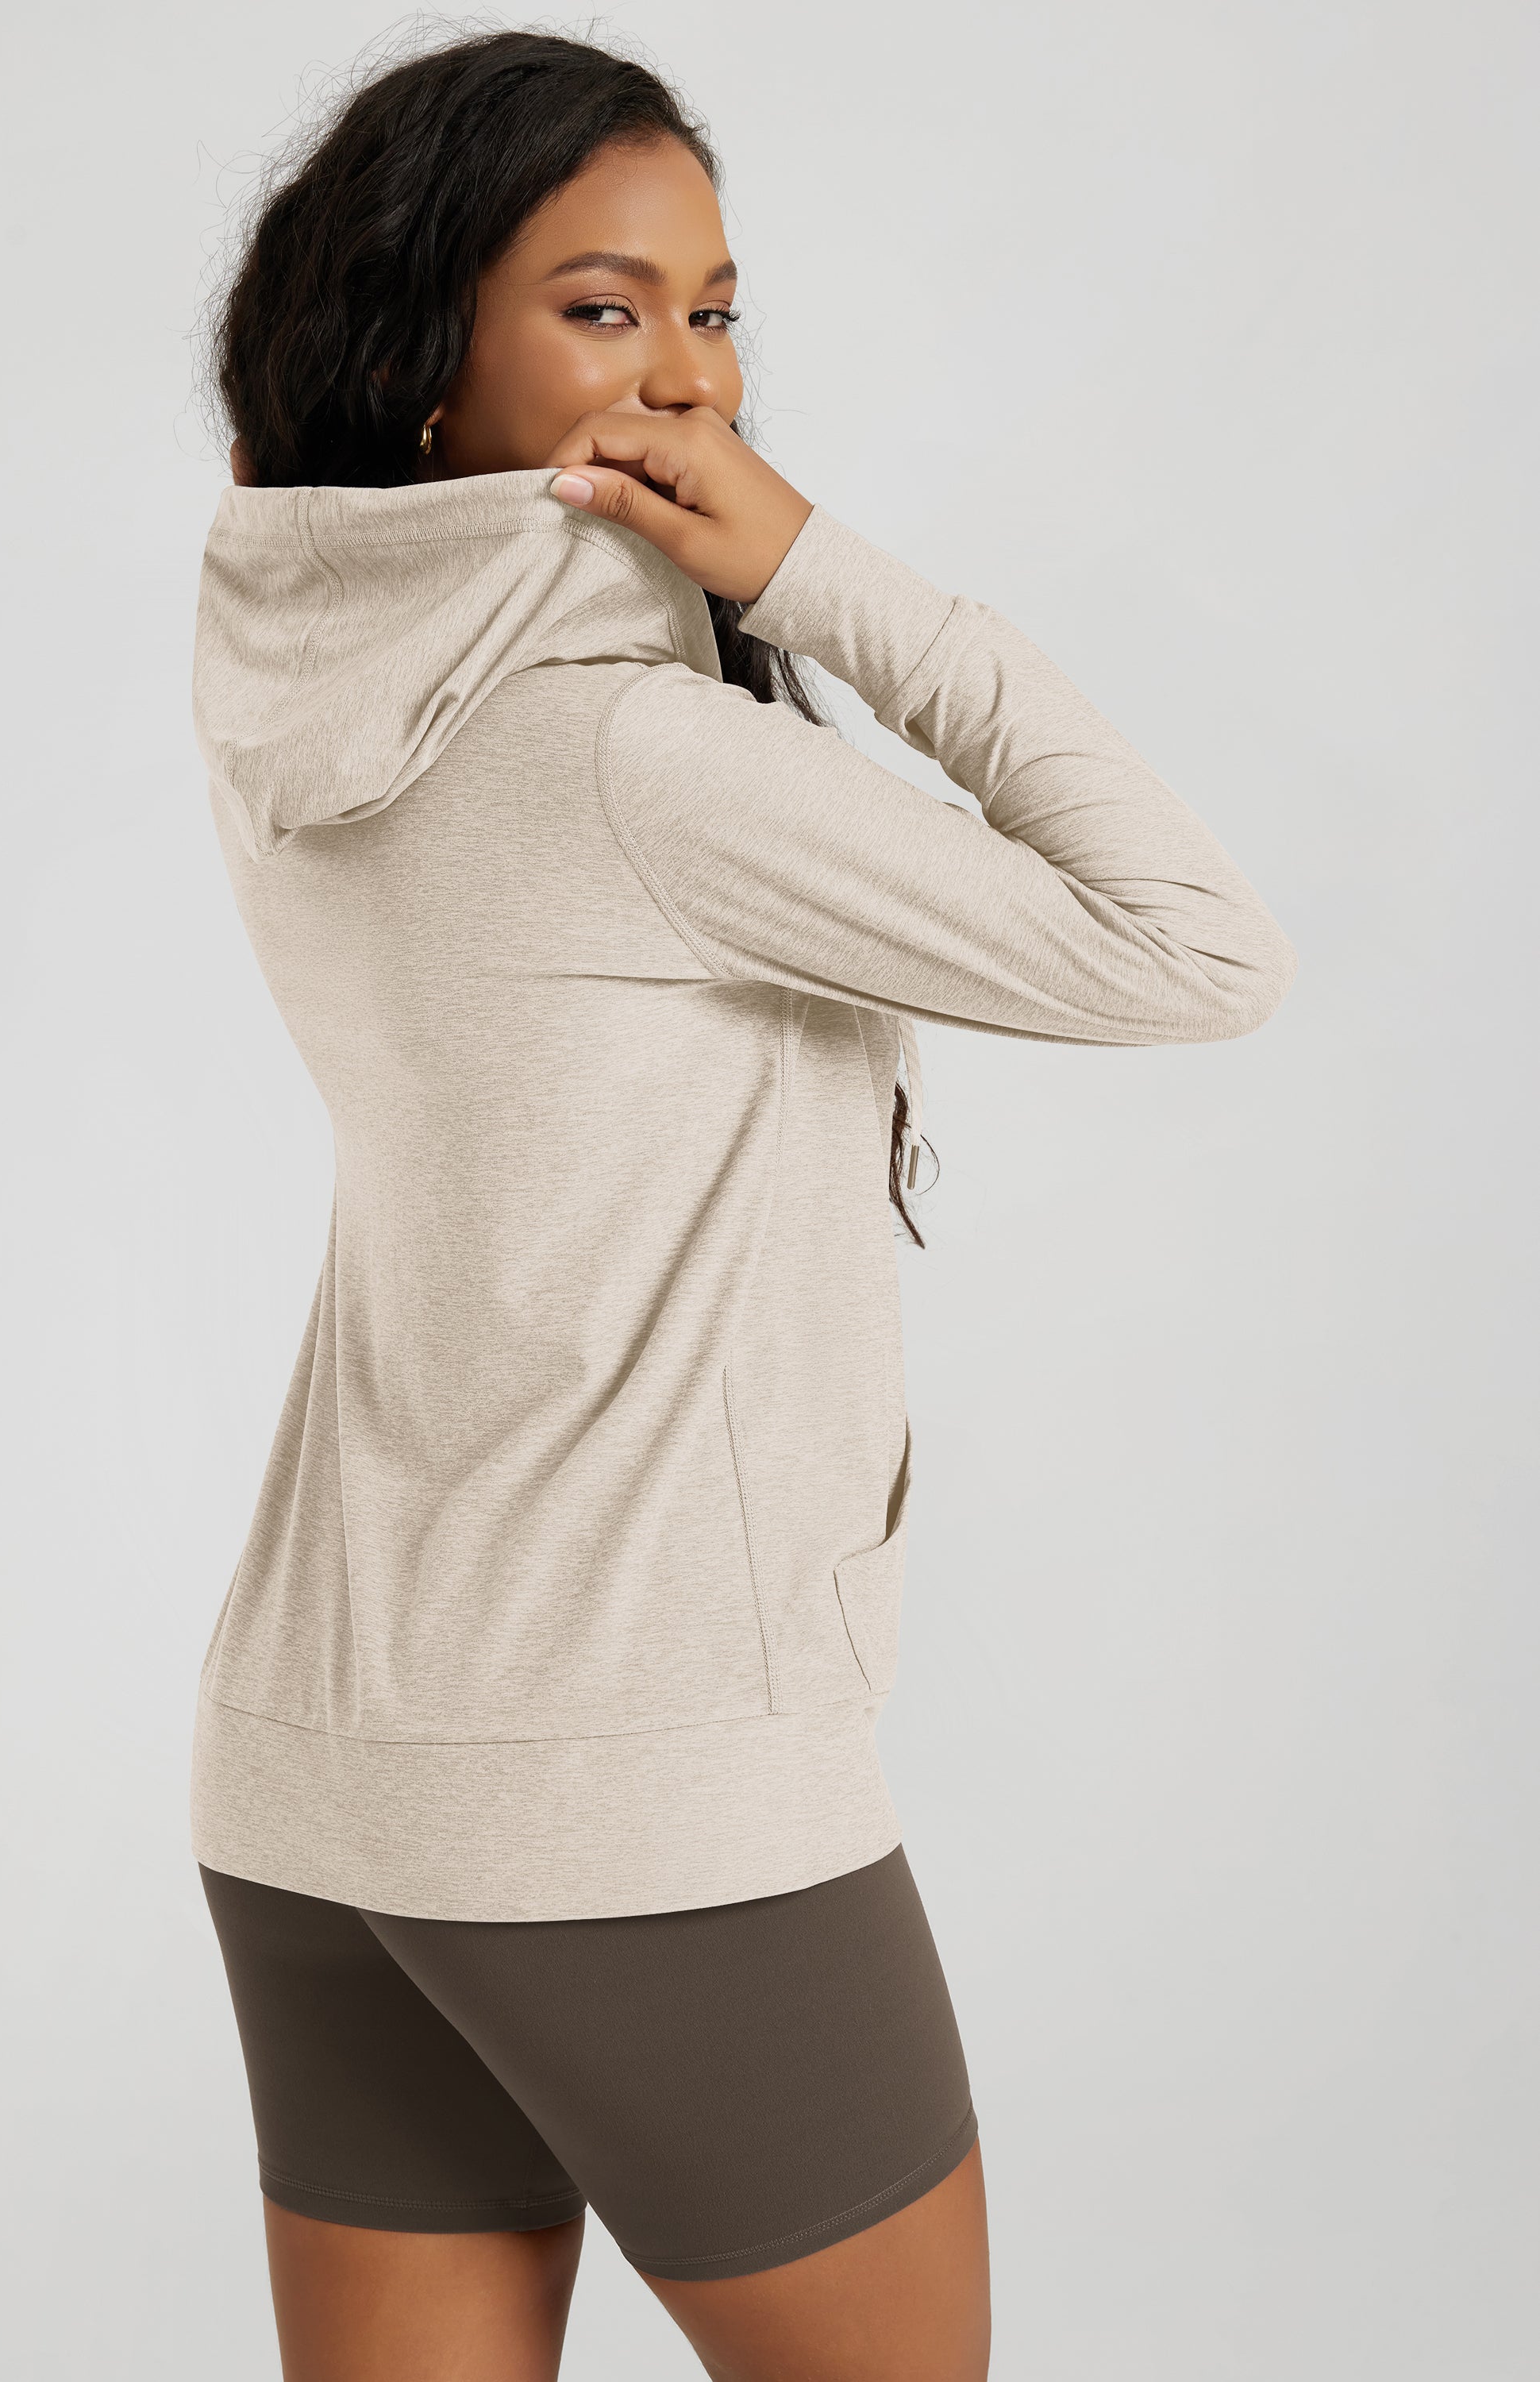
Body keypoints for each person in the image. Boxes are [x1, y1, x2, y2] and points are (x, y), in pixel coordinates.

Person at [187, 29, 1296, 2382]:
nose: (690, 378)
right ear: (419, 354)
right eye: (603, 309)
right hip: (631, 1781)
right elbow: (1199, 951)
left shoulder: (300, 702)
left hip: (317, 1772)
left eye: (711, 311)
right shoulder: (635, 756)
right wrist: (816, 570)